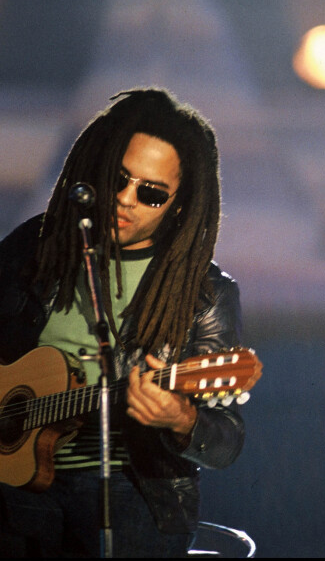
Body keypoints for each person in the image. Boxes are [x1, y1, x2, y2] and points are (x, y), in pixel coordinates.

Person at [0, 87, 248, 558]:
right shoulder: (33, 247)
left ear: (179, 204)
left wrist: (182, 419)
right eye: (117, 178)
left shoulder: (205, 295)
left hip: (134, 490)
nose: (125, 199)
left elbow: (226, 441)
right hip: (15, 492)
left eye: (151, 193)